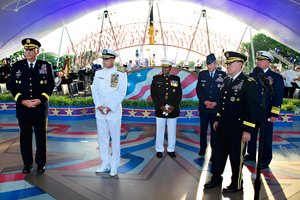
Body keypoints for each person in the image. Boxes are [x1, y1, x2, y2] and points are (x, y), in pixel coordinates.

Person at [204, 51, 258, 193]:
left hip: (238, 128)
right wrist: (217, 119)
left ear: (240, 65)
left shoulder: (248, 83)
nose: (227, 66)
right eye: (227, 64)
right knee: (218, 154)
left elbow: (252, 109)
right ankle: (216, 178)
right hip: (223, 126)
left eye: (230, 64)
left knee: (236, 157)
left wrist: (248, 130)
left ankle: (237, 184)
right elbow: (222, 103)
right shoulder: (227, 80)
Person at [7, 38, 54, 174]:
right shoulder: (17, 66)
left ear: (37, 51)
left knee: (40, 138)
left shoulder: (45, 65)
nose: (27, 52)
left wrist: (40, 100)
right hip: (23, 109)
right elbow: (12, 86)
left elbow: (50, 85)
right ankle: (27, 164)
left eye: (30, 49)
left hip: (39, 109)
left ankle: (40, 164)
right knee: (25, 138)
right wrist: (21, 100)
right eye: (26, 49)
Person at [245, 51, 284, 169]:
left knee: (266, 137)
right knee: (251, 134)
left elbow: (278, 96)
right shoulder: (252, 75)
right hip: (252, 113)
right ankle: (251, 155)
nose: (258, 62)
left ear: (268, 62)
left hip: (266, 113)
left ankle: (265, 160)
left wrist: (274, 114)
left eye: (261, 60)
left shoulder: (276, 77)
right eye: (257, 60)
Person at [92, 48, 127, 177]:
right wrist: (99, 106)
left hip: (113, 112)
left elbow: (121, 93)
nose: (104, 61)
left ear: (113, 59)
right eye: (103, 59)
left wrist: (109, 107)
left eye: (106, 59)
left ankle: (114, 165)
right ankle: (105, 163)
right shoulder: (98, 73)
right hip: (100, 111)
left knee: (115, 138)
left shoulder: (120, 75)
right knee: (102, 138)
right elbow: (95, 91)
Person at [150, 60, 182, 158]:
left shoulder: (175, 79)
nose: (164, 69)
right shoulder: (156, 79)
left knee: (172, 131)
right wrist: (161, 106)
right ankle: (159, 149)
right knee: (159, 130)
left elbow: (179, 94)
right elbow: (154, 94)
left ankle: (171, 149)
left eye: (166, 67)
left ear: (170, 68)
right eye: (163, 67)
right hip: (160, 109)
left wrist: (173, 106)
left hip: (173, 109)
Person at [196, 53, 226, 157]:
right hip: (204, 108)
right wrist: (204, 101)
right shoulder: (202, 74)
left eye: (211, 64)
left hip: (215, 109)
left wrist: (216, 103)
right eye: (207, 64)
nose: (209, 66)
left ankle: (214, 152)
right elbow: (199, 90)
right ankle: (202, 149)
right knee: (203, 130)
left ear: (216, 63)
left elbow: (223, 92)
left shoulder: (222, 75)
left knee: (215, 131)